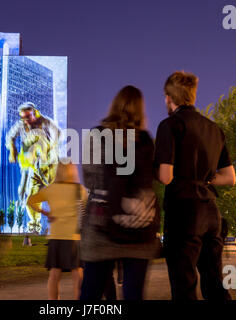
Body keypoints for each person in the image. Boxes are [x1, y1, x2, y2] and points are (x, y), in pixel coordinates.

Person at [154, 71, 236, 301]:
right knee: (214, 282)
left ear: (170, 97)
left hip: (184, 211)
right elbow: (230, 177)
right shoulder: (214, 129)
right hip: (211, 211)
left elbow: (166, 176)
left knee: (184, 283)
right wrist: (205, 179)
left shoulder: (170, 125)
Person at [80, 85, 160, 300]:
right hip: (139, 227)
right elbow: (152, 179)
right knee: (134, 294)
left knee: (91, 293)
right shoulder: (146, 140)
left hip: (101, 224)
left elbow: (90, 179)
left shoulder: (97, 135)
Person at [28, 161, 86, 300]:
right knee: (77, 273)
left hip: (56, 236)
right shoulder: (79, 189)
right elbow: (85, 208)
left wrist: (45, 212)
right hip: (74, 236)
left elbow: (30, 200)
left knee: (54, 274)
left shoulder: (51, 189)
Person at [6, 102, 61, 234]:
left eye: (28, 117)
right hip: (34, 168)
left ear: (35, 113)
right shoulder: (21, 125)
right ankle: (35, 225)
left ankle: (59, 224)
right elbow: (10, 136)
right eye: (23, 118)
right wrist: (12, 149)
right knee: (31, 198)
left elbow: (57, 134)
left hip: (49, 165)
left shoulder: (46, 122)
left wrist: (47, 149)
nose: (26, 121)